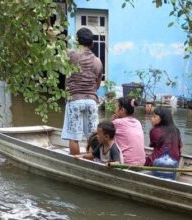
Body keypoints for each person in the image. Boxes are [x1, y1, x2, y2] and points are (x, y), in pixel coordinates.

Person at [61, 27, 103, 155]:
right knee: (93, 137)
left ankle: (75, 164)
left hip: (75, 100)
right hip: (91, 101)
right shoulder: (98, 61)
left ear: (77, 41)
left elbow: (55, 53)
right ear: (92, 44)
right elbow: (97, 84)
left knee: (74, 137)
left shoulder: (70, 54)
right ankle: (92, 162)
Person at [112, 97, 146, 165]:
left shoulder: (117, 122)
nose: (114, 110)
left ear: (122, 110)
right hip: (142, 162)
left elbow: (101, 131)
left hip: (126, 163)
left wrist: (113, 120)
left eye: (116, 108)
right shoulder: (137, 122)